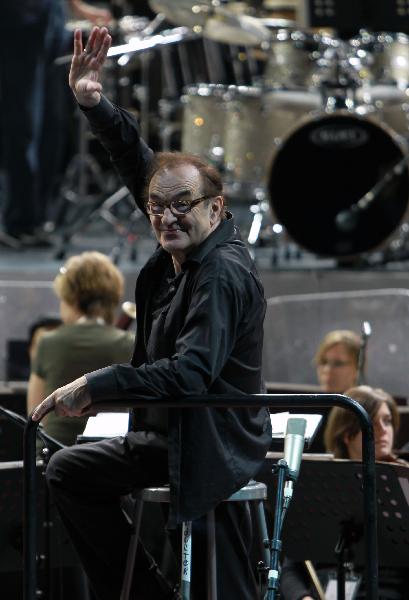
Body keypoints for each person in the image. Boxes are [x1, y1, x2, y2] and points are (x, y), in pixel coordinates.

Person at [31, 26, 272, 600]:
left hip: (208, 443)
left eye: (180, 207)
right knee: (66, 468)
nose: (164, 217)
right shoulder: (191, 237)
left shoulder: (221, 273)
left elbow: (191, 374)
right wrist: (94, 102)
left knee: (68, 471)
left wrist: (99, 382)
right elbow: (141, 166)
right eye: (156, 208)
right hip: (176, 434)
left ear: (216, 209)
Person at [280, 385, 408, 600]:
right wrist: (302, 597)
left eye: (387, 421)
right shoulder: (322, 484)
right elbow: (291, 566)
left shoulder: (404, 481)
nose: (383, 430)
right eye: (372, 423)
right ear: (346, 434)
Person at [0, 0, 111, 248]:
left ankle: (38, 218)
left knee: (53, 124)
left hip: (49, 13)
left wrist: (75, 6)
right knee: (23, 124)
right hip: (18, 15)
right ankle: (20, 221)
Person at [28, 251, 134, 446]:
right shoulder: (130, 342)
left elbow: (35, 413)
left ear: (70, 298)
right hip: (110, 455)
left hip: (52, 454)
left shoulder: (47, 342)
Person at [314, 329, 361, 394]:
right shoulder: (307, 402)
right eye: (323, 362)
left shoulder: (364, 403)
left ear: (357, 368)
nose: (327, 370)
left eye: (338, 363)